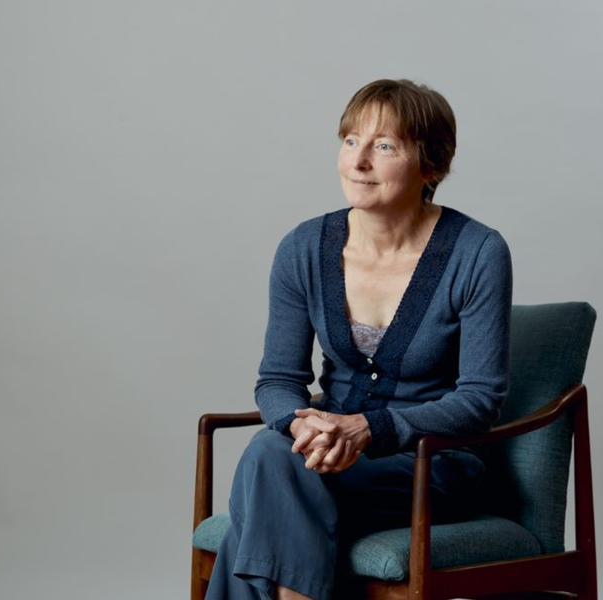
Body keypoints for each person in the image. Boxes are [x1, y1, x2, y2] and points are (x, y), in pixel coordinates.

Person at [205, 79, 513, 600]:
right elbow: (279, 379)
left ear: (431, 166)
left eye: (384, 146)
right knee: (274, 458)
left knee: (266, 469)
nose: (358, 161)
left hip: (426, 465)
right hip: (317, 456)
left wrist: (368, 429)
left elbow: (480, 400)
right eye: (350, 141)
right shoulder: (304, 247)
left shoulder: (478, 253)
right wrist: (304, 425)